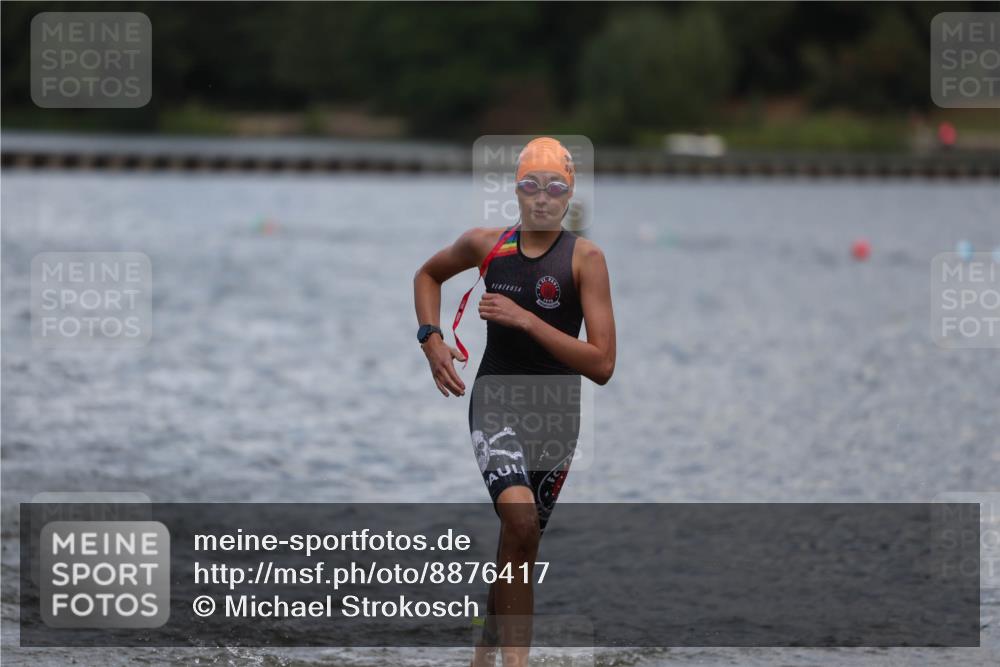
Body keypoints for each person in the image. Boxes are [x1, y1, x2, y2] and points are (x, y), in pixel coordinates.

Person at [413, 137, 616, 666]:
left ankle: (484, 650)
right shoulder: (486, 246)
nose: (543, 198)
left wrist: (527, 320)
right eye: (531, 186)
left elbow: (602, 364)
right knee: (521, 524)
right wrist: (432, 339)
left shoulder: (586, 260)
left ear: (569, 194)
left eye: (556, 188)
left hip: (557, 417)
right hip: (496, 402)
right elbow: (428, 275)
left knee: (519, 543)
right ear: (516, 191)